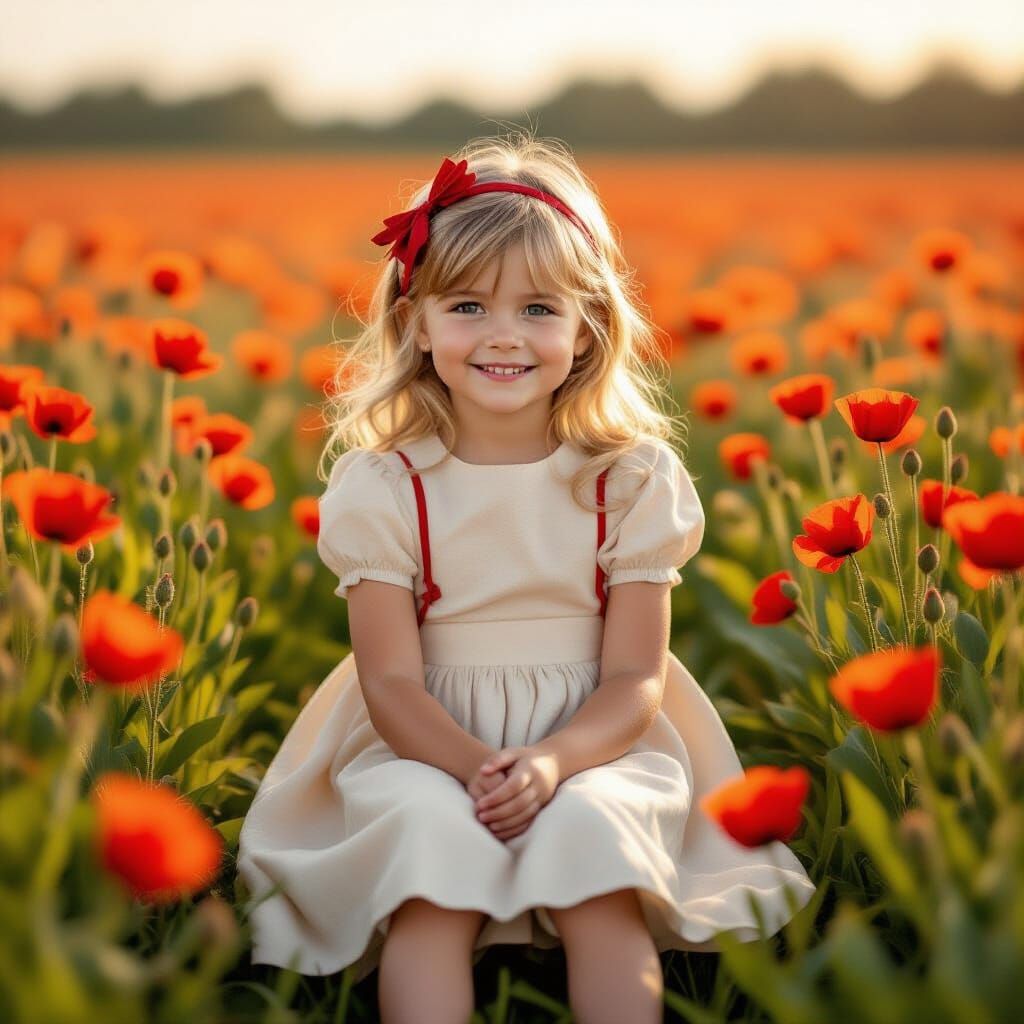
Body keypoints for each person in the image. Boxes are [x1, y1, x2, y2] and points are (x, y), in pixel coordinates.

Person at [237, 132, 817, 1024]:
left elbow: (635, 679)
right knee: (430, 849)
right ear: (414, 324)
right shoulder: (387, 485)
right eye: (467, 306)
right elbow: (390, 680)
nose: (504, 335)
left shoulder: (627, 479)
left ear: (588, 329)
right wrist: (479, 770)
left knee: (595, 838)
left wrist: (549, 763)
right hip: (424, 737)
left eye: (540, 309)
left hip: (597, 737)